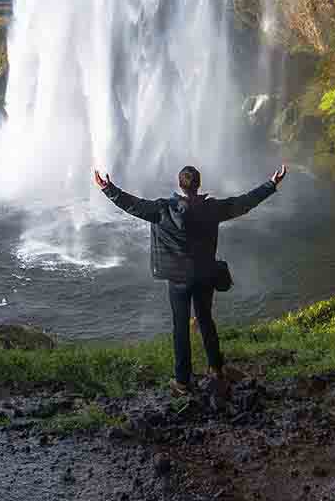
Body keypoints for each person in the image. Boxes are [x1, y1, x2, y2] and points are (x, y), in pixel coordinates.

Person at [93, 161, 288, 395]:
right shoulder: (212, 209)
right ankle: (216, 369)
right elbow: (244, 203)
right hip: (205, 275)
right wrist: (271, 184)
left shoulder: (163, 209)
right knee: (206, 320)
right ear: (198, 185)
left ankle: (182, 382)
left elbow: (133, 205)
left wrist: (108, 188)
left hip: (178, 280)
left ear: (180, 185)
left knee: (180, 328)